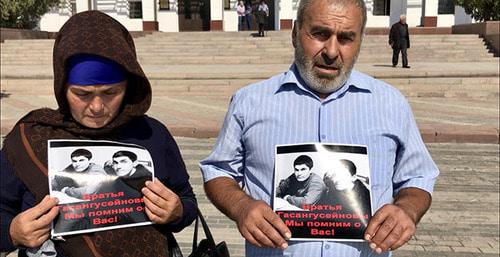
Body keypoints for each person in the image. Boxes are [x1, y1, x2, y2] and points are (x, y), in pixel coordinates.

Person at [199, 0, 439, 256]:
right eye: (320, 34)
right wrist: (241, 206)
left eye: (346, 38)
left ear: (360, 41)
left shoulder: (390, 103)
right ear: (295, 33)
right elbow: (219, 170)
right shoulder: (250, 102)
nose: (332, 51)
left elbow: (417, 176)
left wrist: (407, 210)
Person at [1, 11, 196, 257]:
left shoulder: (152, 135)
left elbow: (186, 200)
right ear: (62, 86)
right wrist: (12, 232)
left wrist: (177, 211)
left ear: (129, 85)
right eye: (82, 94)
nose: (96, 107)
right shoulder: (31, 137)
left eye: (110, 92)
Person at [321, 159, 371, 238]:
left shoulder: (367, 197)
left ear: (353, 178)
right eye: (334, 175)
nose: (336, 179)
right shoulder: (329, 194)